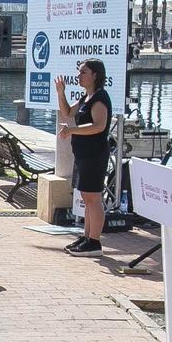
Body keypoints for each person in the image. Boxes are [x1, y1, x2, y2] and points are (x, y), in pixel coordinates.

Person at [54, 58, 113, 255]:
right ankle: (87, 236)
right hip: (82, 154)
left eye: (83, 72)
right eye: (79, 72)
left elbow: (99, 126)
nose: (79, 76)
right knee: (86, 196)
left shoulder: (100, 98)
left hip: (95, 155)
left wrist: (72, 131)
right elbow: (68, 112)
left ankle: (95, 241)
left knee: (94, 197)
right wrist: (61, 93)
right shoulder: (85, 97)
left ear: (95, 75)